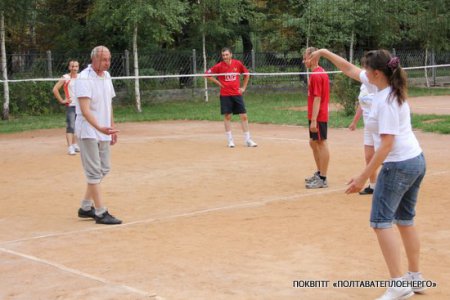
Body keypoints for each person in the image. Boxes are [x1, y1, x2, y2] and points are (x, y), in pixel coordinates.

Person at [310, 49, 426, 300]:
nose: (361, 71)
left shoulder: (384, 101)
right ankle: (415, 277)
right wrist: (323, 52)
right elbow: (348, 69)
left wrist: (364, 175)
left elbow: (385, 145)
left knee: (380, 222)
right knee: (405, 220)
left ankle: (399, 285)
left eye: (366, 69)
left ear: (375, 73)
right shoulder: (386, 88)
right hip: (415, 160)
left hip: (398, 166)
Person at [74, 46, 122, 225]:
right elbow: (85, 111)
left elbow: (108, 104)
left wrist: (111, 127)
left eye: (109, 59)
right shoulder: (83, 78)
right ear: (93, 60)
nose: (107, 63)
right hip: (88, 130)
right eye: (104, 60)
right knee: (94, 171)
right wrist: (100, 128)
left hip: (103, 130)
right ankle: (100, 212)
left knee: (104, 169)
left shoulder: (107, 76)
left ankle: (86, 207)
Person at [206, 47, 257, 148]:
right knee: (228, 116)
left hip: (237, 94)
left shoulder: (237, 64)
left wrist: (243, 88)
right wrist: (218, 82)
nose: (225, 57)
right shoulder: (219, 66)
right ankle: (230, 140)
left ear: (231, 55)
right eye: (223, 55)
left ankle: (248, 140)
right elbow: (207, 74)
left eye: (227, 54)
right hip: (225, 95)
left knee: (244, 116)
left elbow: (247, 74)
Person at [348, 59, 378, 195]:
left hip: (379, 125)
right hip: (368, 126)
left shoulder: (378, 85)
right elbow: (362, 105)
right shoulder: (363, 86)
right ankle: (373, 186)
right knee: (368, 156)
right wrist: (354, 122)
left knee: (387, 155)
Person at [303, 47, 330, 189]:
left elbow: (318, 98)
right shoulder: (315, 73)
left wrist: (314, 119)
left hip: (318, 115)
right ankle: (320, 173)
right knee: (313, 143)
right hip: (315, 114)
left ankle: (323, 178)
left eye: (306, 58)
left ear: (313, 58)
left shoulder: (317, 75)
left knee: (321, 143)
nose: (303, 60)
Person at [52, 60, 80, 155]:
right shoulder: (66, 77)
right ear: (69, 67)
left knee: (77, 126)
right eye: (72, 66)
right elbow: (55, 89)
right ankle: (70, 147)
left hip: (80, 106)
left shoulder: (81, 77)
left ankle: (75, 144)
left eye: (76, 66)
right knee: (70, 126)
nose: (74, 68)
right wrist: (62, 100)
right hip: (71, 105)